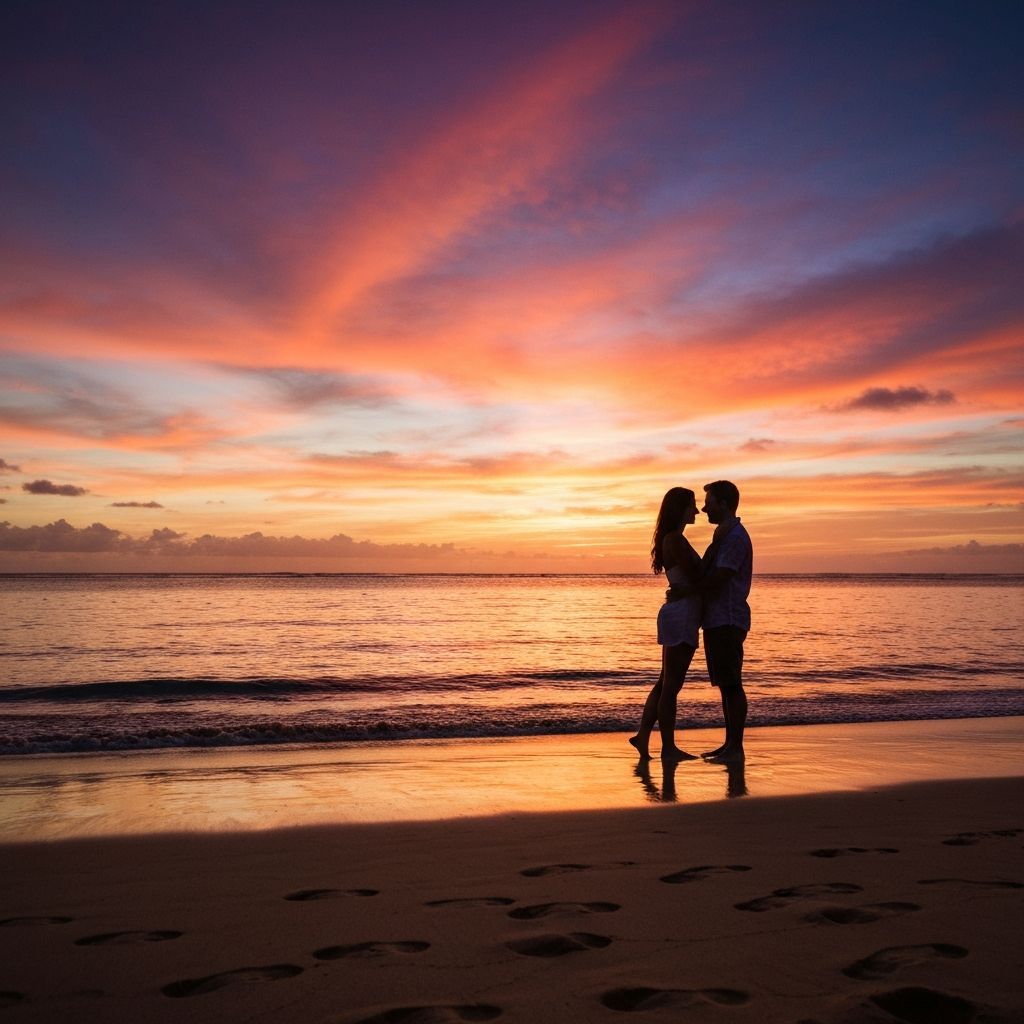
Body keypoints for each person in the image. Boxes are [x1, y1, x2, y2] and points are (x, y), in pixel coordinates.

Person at [629, 487, 703, 762]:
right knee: (671, 686)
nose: (696, 511)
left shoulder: (674, 539)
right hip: (682, 615)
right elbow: (699, 578)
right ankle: (668, 748)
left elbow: (692, 580)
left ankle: (643, 736)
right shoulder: (675, 540)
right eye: (692, 505)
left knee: (665, 683)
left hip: (682, 613)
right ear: (679, 509)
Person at [686, 480, 753, 763]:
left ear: (723, 505)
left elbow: (720, 577)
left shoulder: (734, 537)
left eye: (709, 503)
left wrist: (687, 591)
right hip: (718, 619)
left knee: (731, 683)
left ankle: (735, 747)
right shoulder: (724, 535)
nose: (704, 509)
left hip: (727, 618)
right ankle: (729, 745)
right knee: (726, 684)